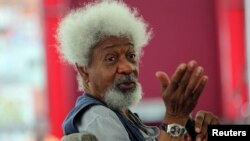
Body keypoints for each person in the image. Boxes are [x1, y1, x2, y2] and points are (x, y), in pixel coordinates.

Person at [56, 0, 220, 141]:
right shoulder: (99, 117)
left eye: (131, 55)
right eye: (111, 59)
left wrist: (193, 130)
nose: (128, 67)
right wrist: (175, 118)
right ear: (84, 69)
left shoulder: (123, 114)